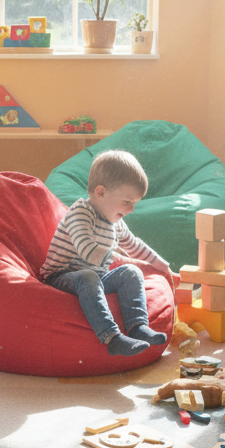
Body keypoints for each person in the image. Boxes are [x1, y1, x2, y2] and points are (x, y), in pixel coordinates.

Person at [39, 150, 176, 356]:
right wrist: (118, 257)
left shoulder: (115, 221)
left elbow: (134, 245)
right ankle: (111, 337)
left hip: (96, 278)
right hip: (61, 276)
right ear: (101, 193)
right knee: (89, 276)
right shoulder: (81, 212)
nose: (132, 210)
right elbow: (87, 250)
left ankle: (138, 327)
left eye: (135, 203)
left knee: (130, 272)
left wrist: (161, 265)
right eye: (127, 202)